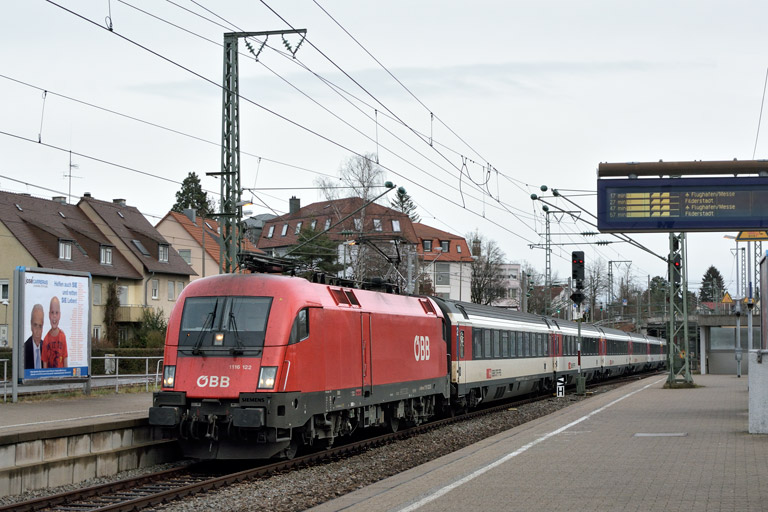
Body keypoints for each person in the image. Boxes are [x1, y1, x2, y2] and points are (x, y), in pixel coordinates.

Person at [42, 296, 68, 368]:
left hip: (61, 375)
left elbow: (65, 361)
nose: (54, 316)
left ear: (60, 315)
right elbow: (44, 365)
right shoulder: (46, 340)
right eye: (52, 312)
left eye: (56, 313)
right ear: (49, 315)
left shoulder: (62, 336)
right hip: (50, 375)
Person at [23, 304, 45, 370]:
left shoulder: (47, 349)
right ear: (31, 325)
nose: (38, 331)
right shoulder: (24, 350)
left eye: (40, 326)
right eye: (35, 325)